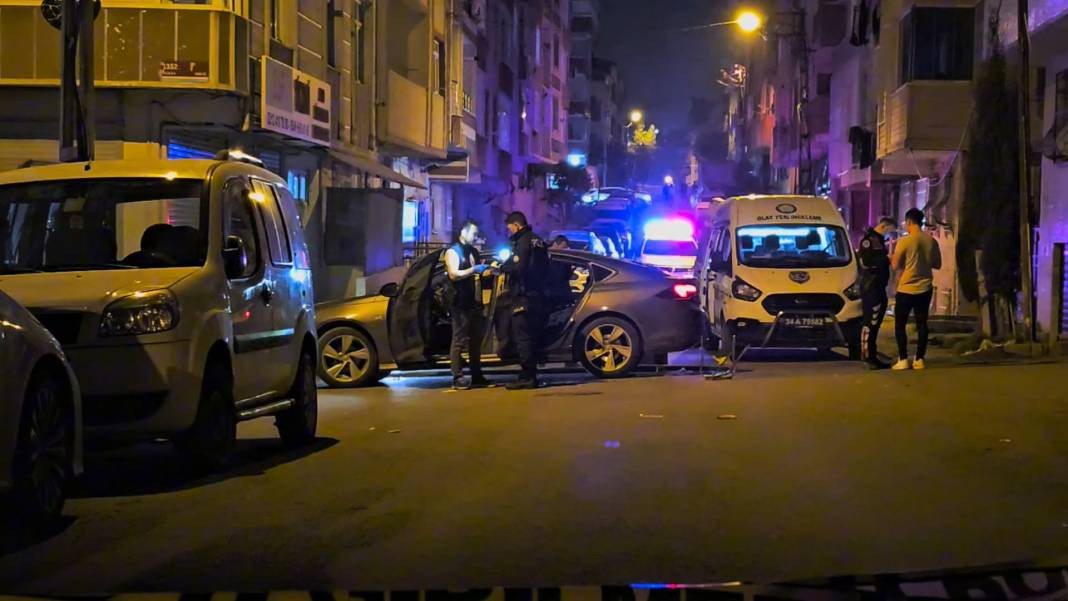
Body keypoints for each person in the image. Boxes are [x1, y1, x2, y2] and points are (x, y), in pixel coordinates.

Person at [499, 211, 550, 390]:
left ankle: (527, 376)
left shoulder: (522, 242)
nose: (510, 232)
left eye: (510, 228)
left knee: (523, 338)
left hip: (523, 295)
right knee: (531, 337)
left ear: (517, 225)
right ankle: (530, 374)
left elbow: (518, 267)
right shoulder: (539, 241)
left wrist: (503, 268)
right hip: (538, 295)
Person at [444, 221, 493, 390]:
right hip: (460, 303)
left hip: (474, 302)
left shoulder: (472, 252)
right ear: (463, 233)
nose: (476, 237)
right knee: (459, 340)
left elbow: (477, 277)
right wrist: (474, 270)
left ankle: (477, 375)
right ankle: (458, 377)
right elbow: (453, 274)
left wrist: (486, 271)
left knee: (475, 341)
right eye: (474, 234)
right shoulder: (453, 251)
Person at [891, 208, 942, 370]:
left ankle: (903, 359)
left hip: (906, 288)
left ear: (909, 222)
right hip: (925, 287)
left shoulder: (904, 241)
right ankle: (919, 359)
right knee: (922, 323)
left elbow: (895, 265)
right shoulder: (931, 241)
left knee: (900, 324)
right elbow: (937, 264)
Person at [856, 216, 897, 369]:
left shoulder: (877, 240)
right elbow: (866, 262)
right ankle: (868, 355)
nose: (890, 235)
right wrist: (887, 260)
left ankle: (871, 354)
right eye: (890, 230)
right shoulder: (870, 241)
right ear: (885, 226)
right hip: (871, 287)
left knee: (875, 322)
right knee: (870, 322)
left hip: (878, 287)